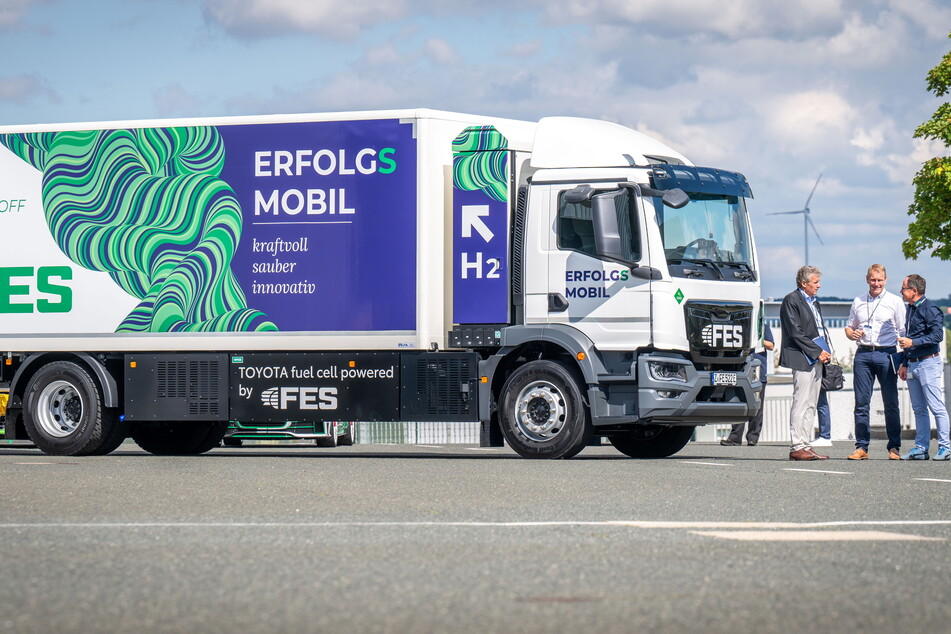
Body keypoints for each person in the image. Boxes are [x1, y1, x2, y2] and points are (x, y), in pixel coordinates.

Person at [843, 264, 906, 460]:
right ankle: (862, 447)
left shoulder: (895, 302)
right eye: (873, 280)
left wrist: (904, 360)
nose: (876, 283)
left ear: (885, 280)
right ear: (867, 280)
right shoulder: (858, 300)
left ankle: (894, 447)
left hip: (886, 354)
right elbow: (848, 328)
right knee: (861, 403)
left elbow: (903, 333)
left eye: (879, 280)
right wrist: (852, 334)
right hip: (863, 354)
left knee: (890, 402)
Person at [780, 265, 832, 460]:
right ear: (804, 283)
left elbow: (817, 330)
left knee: (811, 403)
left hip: (817, 356)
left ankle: (806, 443)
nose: (819, 285)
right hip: (802, 357)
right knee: (800, 401)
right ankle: (797, 445)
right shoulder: (791, 300)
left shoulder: (814, 302)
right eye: (815, 282)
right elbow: (795, 332)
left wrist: (825, 351)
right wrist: (817, 352)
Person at [897, 274, 950, 461]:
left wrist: (913, 342)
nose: (901, 291)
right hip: (912, 364)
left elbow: (937, 336)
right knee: (919, 409)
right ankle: (921, 448)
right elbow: (908, 339)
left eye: (903, 288)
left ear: (914, 290)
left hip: (929, 362)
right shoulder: (910, 309)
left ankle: (945, 447)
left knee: (936, 407)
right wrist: (904, 363)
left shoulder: (931, 309)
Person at [722, 323, 774, 446]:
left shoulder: (762, 326)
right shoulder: (738, 327)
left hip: (758, 372)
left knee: (757, 407)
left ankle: (753, 437)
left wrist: (755, 339)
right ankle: (735, 437)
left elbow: (771, 345)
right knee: (739, 404)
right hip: (740, 370)